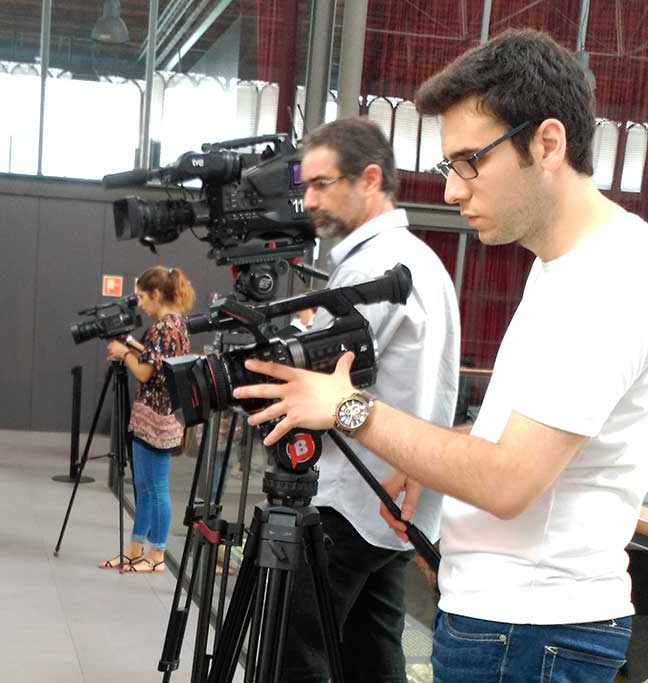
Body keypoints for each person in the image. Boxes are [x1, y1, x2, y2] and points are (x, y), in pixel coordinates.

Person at [233, 29, 648, 682]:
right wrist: (435, 451)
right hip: (508, 623)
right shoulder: (562, 268)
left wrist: (348, 409)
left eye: (468, 161)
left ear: (546, 143)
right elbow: (540, 435)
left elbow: (509, 479)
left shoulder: (605, 280)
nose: (452, 191)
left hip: (529, 632)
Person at [275, 118, 461, 683]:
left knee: (293, 656)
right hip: (395, 499)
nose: (308, 201)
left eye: (322, 184)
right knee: (370, 656)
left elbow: (319, 380)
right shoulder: (421, 258)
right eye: (304, 187)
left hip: (348, 500)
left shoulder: (370, 268)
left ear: (371, 178)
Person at [98, 266, 195, 573]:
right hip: (161, 417)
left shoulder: (162, 328)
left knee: (154, 487)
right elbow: (158, 359)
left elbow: (145, 371)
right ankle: (135, 550)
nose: (139, 304)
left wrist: (122, 353)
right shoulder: (176, 324)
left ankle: (156, 556)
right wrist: (132, 346)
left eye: (142, 297)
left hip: (156, 418)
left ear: (156, 294)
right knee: (146, 485)